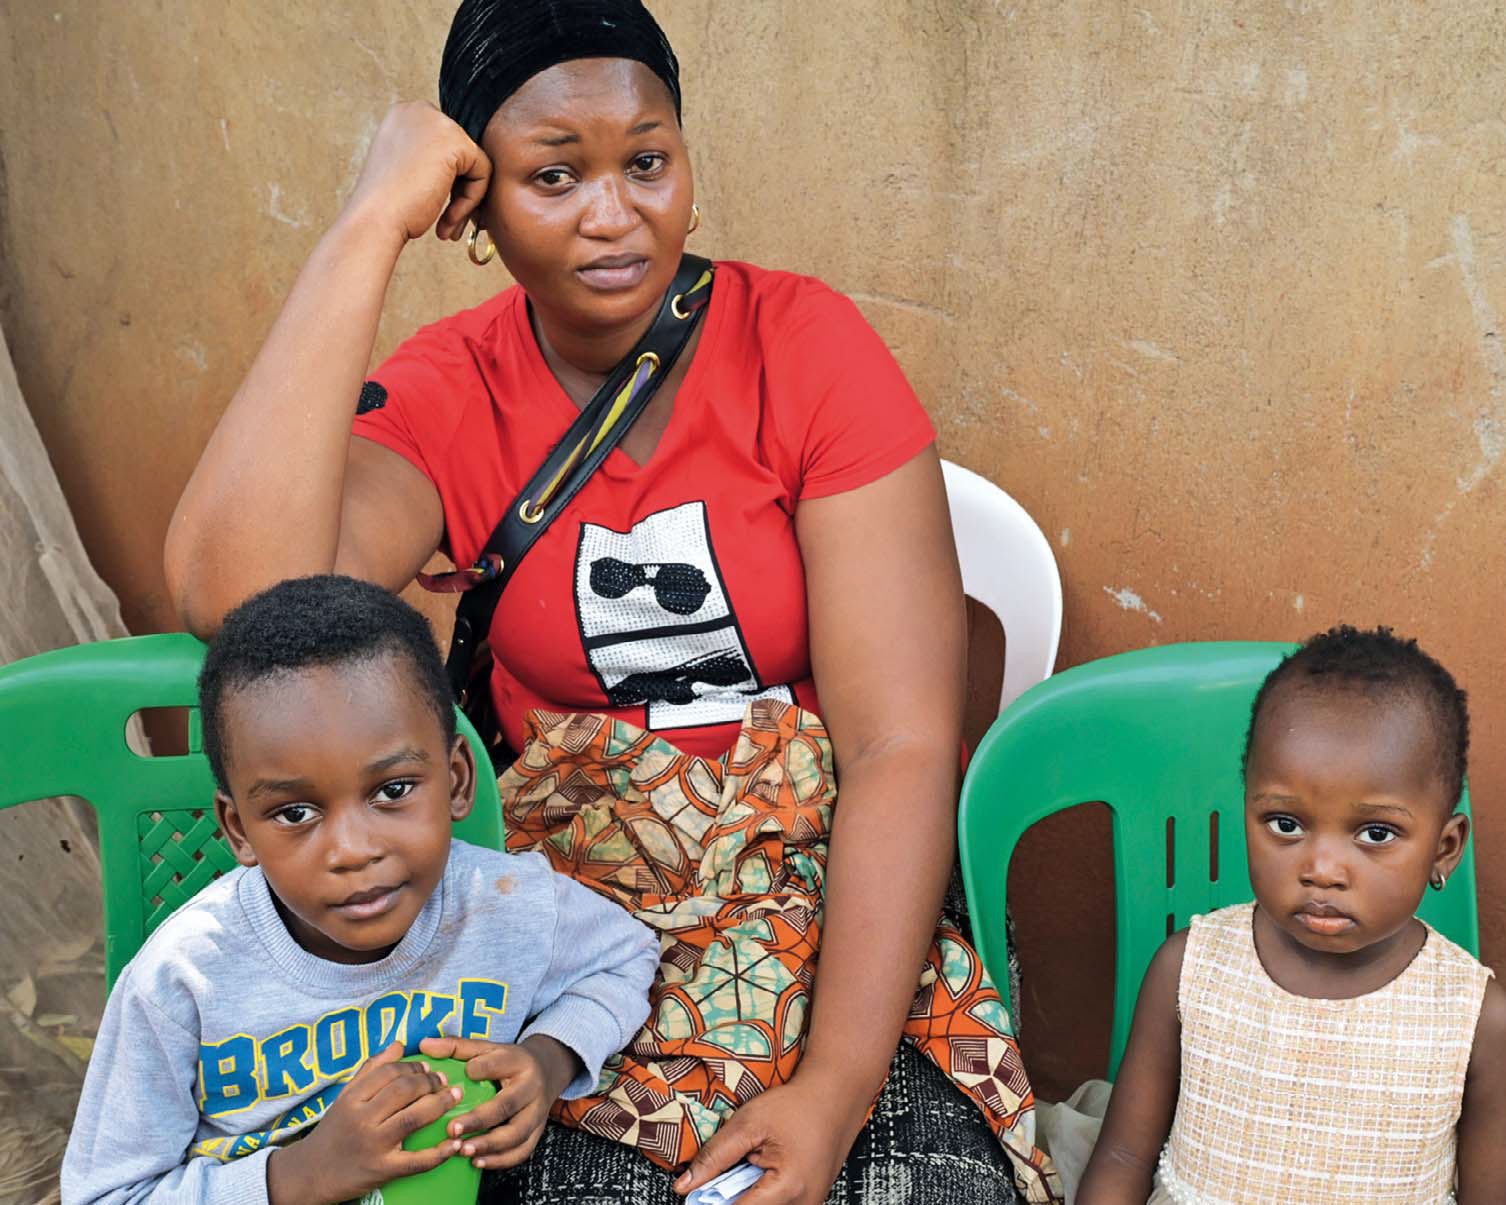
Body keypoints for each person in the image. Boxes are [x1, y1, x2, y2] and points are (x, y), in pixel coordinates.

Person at [162, 2, 1058, 1203]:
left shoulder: (804, 349)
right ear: (473, 206)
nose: (612, 211)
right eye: (553, 174)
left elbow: (899, 743)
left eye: (646, 160)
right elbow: (236, 599)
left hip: (829, 916)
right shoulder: (452, 392)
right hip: (572, 950)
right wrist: (371, 219)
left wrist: (838, 1083)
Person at [60, 575, 660, 1203]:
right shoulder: (181, 982)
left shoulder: (508, 902)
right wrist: (300, 1176)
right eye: (295, 813)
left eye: (392, 790)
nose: (353, 850)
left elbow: (625, 957)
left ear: (456, 780)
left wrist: (547, 1058)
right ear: (239, 830)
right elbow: (105, 1194)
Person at [1074, 626, 1506, 1204]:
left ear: (1444, 849)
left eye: (1376, 833)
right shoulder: (1191, 970)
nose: (1322, 869)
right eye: (1286, 824)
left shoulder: (1475, 1018)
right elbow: (1122, 1157)